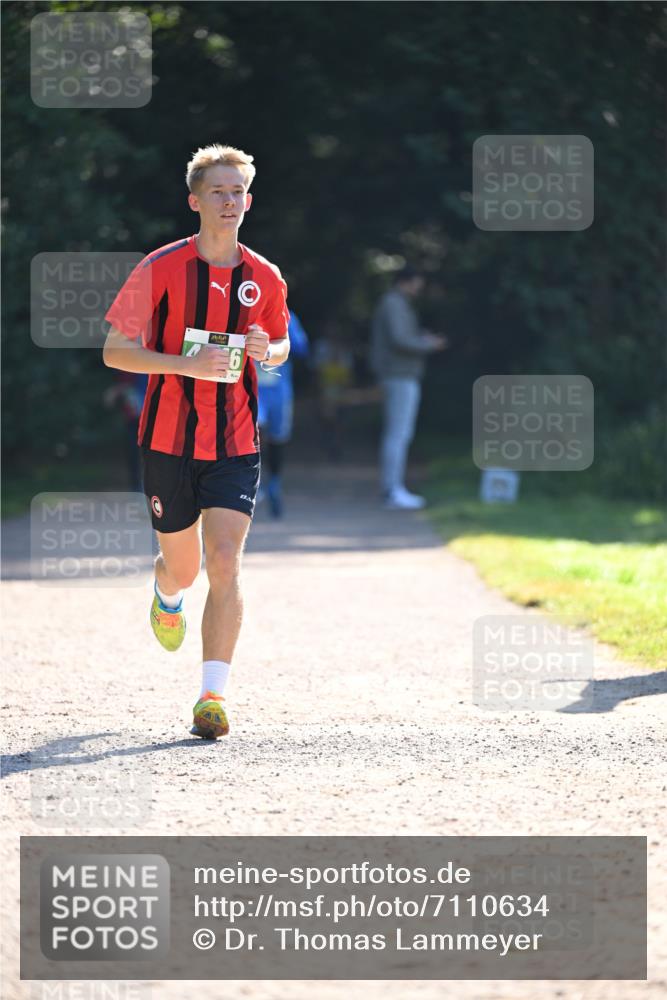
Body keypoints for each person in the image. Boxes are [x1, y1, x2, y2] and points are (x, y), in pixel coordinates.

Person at [102, 143, 290, 739]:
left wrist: (268, 350)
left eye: (238, 192)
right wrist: (184, 365)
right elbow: (114, 351)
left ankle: (212, 695)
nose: (230, 201)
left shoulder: (265, 276)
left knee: (226, 562)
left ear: (249, 200)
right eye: (218, 191)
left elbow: (281, 345)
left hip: (235, 440)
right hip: (167, 442)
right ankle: (164, 591)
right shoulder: (160, 267)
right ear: (195, 200)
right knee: (184, 571)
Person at [369, 267, 447, 509]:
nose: (419, 288)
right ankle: (392, 490)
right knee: (398, 434)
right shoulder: (394, 303)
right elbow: (400, 340)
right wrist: (428, 343)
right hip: (399, 376)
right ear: (407, 281)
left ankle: (393, 488)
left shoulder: (395, 303)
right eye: (417, 282)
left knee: (399, 433)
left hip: (400, 375)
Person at [256, 309, 309, 517]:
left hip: (279, 390)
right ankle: (253, 484)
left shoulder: (286, 315)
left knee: (278, 438)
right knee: (253, 433)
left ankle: (274, 484)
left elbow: (302, 348)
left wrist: (276, 340)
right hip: (252, 390)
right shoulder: (240, 309)